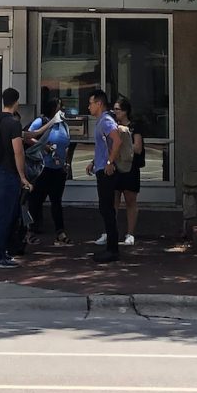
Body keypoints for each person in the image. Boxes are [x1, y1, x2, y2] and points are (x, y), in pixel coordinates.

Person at [0, 86, 29, 270]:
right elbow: (18, 151)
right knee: (4, 216)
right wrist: (22, 176)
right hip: (8, 173)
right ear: (16, 102)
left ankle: (0, 251)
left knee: (2, 213)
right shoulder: (13, 123)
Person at [24, 96, 71, 246]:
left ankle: (60, 232)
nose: (61, 109)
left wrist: (66, 162)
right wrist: (43, 145)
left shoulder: (64, 125)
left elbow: (67, 144)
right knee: (36, 200)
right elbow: (27, 137)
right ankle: (29, 231)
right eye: (59, 107)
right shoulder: (41, 121)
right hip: (43, 167)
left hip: (58, 168)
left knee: (56, 201)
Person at [87, 87, 123, 263]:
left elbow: (117, 140)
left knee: (107, 209)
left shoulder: (105, 121)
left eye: (91, 103)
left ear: (99, 103)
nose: (89, 107)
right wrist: (94, 163)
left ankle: (112, 249)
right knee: (105, 208)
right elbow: (105, 145)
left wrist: (109, 162)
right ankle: (110, 247)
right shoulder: (102, 121)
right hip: (101, 168)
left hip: (107, 172)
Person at [113, 95, 144, 246]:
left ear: (125, 111)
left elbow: (138, 148)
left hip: (131, 167)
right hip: (115, 166)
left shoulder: (134, 127)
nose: (115, 112)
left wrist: (124, 143)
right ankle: (110, 232)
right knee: (113, 199)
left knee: (130, 200)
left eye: (117, 109)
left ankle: (130, 233)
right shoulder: (112, 125)